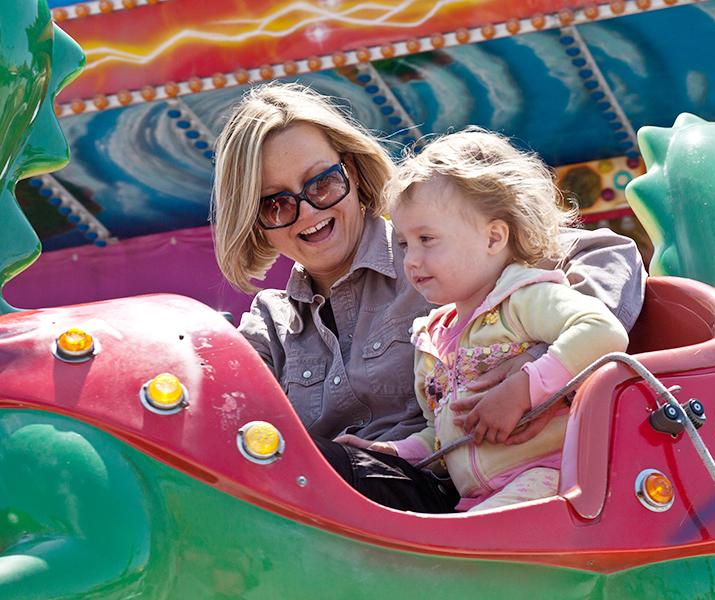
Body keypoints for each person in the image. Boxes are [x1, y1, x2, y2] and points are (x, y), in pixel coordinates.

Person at [211, 81, 647, 513]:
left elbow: (604, 253)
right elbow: (223, 419)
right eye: (276, 204)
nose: (308, 210)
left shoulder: (441, 255)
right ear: (252, 218)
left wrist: (542, 363)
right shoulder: (269, 326)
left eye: (321, 183)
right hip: (330, 512)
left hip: (446, 497)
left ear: (354, 172)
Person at [338, 129, 628, 511]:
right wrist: (390, 452)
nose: (410, 259)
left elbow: (603, 332)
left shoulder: (523, 297)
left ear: (493, 238)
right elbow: (440, 435)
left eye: (427, 239)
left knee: (457, 551)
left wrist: (524, 387)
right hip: (479, 498)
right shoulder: (431, 337)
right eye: (405, 243)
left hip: (552, 478)